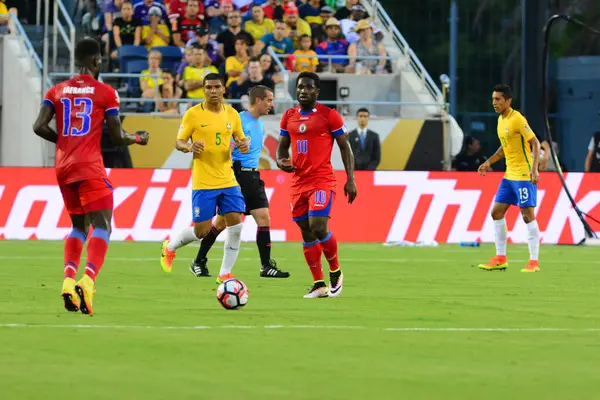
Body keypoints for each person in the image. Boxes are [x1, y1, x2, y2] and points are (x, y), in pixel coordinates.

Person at [32, 38, 149, 315]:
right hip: (89, 165)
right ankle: (87, 281)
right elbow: (117, 136)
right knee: (103, 225)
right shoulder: (105, 92)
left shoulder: (56, 90)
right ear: (96, 61)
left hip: (63, 167)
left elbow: (38, 126)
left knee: (78, 226)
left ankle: (68, 282)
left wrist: (63, 141)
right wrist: (138, 138)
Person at [190, 85, 290, 278]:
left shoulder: (258, 123)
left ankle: (264, 266)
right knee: (232, 222)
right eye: (269, 100)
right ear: (258, 100)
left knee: (249, 220)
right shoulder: (240, 119)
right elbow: (226, 147)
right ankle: (200, 261)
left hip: (252, 175)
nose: (272, 104)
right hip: (238, 174)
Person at [160, 73, 251, 284]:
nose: (212, 91)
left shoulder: (232, 114)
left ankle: (224, 273)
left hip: (228, 179)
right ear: (203, 90)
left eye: (216, 87)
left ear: (223, 89)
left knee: (236, 224)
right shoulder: (193, 114)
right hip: (203, 181)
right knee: (201, 231)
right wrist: (190, 146)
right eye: (208, 87)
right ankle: (170, 247)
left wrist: (244, 143)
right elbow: (179, 142)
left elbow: (240, 139)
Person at [277, 72, 357, 298]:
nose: (303, 91)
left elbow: (345, 147)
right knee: (306, 231)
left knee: (318, 226)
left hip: (322, 180)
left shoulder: (329, 115)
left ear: (317, 91)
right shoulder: (289, 116)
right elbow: (282, 148)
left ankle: (336, 271)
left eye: (308, 88)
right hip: (298, 182)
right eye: (300, 87)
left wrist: (351, 179)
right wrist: (281, 161)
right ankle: (319, 284)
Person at [477, 84, 541, 273]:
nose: (494, 103)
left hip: (523, 174)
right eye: (493, 99)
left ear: (508, 101)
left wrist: (535, 169)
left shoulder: (517, 119)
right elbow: (504, 148)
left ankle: (533, 262)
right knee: (496, 213)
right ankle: (500, 258)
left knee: (527, 216)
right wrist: (489, 162)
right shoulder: (500, 120)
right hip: (509, 175)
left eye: (498, 99)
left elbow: (535, 143)